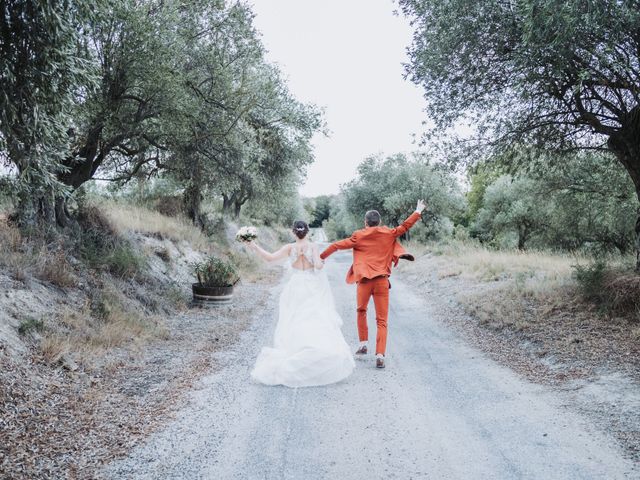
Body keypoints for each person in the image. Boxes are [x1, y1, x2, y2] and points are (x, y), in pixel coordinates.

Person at [245, 220, 355, 387]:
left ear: (293, 232)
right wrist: (319, 263)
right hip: (311, 286)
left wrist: (254, 246)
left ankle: (296, 349)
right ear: (308, 231)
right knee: (313, 317)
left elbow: (269, 258)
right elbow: (318, 266)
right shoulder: (313, 247)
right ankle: (313, 348)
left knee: (294, 318)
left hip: (295, 287)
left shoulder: (289, 248)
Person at [320, 200, 426, 369]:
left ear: (365, 222)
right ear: (379, 222)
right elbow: (404, 227)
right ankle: (380, 355)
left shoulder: (358, 235)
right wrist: (418, 210)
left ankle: (363, 343)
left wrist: (321, 257)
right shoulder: (388, 233)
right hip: (382, 282)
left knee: (361, 311)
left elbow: (336, 245)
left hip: (364, 282)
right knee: (382, 320)